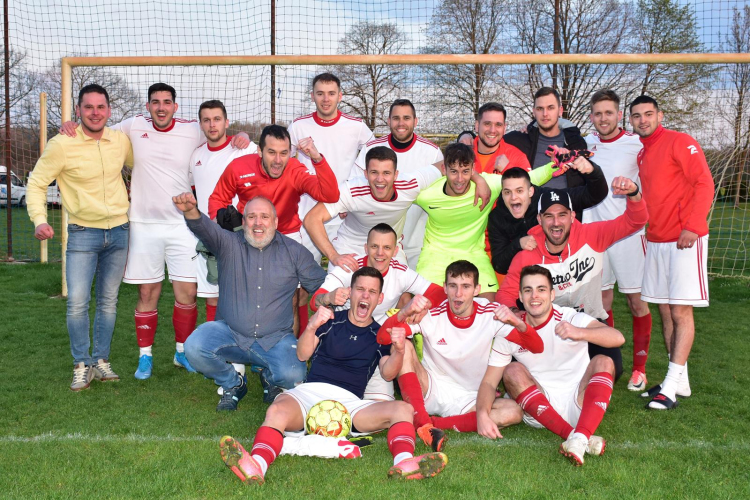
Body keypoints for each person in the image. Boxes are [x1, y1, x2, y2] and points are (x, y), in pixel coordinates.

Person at [59, 83, 252, 380]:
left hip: (184, 225)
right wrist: (72, 126)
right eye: (155, 102)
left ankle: (181, 352)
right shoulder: (133, 126)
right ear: (148, 106)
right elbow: (97, 126)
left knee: (187, 293)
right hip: (143, 225)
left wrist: (241, 136)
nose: (161, 107)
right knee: (148, 291)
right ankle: (145, 357)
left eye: (166, 102)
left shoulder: (192, 129)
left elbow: (219, 134)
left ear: (176, 106)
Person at [218, 267, 448, 484]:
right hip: (309, 395)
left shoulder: (380, 334)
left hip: (351, 406)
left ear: (380, 297)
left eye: (372, 291)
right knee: (276, 410)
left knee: (403, 409)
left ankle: (404, 464)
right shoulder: (329, 321)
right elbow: (302, 354)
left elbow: (388, 374)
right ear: (351, 292)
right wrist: (310, 326)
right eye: (360, 289)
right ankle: (257, 465)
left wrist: (398, 350)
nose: (365, 295)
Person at [173, 194, 327, 410]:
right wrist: (190, 211)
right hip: (231, 333)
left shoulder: (295, 252)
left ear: (275, 222)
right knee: (194, 346)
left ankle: (271, 377)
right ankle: (233, 383)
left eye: (264, 217)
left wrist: (329, 297)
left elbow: (320, 286)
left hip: (276, 338)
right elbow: (204, 229)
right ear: (243, 222)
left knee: (294, 375)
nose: (258, 223)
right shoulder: (228, 243)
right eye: (252, 217)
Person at [27, 84, 133, 391]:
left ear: (109, 110)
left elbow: (148, 160)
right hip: (83, 233)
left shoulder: (120, 141)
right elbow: (35, 184)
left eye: (101, 107)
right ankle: (81, 364)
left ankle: (101, 361)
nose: (95, 113)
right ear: (78, 110)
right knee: (76, 302)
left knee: (109, 302)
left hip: (119, 231)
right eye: (89, 107)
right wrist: (39, 220)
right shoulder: (62, 143)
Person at [376, 260, 544, 451]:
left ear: (477, 289)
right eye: (453, 286)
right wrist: (405, 311)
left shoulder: (489, 315)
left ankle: (432, 423)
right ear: (445, 288)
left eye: (465, 287)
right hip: (430, 388)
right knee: (402, 346)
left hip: (470, 397)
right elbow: (383, 338)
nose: (458, 294)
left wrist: (517, 322)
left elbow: (536, 346)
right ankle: (423, 424)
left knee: (513, 412)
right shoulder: (431, 315)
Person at [496, 183, 649, 381]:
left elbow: (636, 221)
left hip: (589, 322)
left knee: (612, 368)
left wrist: (635, 193)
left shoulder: (592, 235)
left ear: (572, 216)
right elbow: (505, 293)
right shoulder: (527, 254)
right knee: (516, 370)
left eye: (562, 215)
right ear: (539, 219)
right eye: (549, 216)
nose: (556, 222)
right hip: (547, 326)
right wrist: (516, 313)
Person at [477, 265, 624, 466]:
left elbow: (617, 338)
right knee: (512, 371)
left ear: (552, 294)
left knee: (604, 361)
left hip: (579, 402)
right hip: (538, 409)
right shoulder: (510, 331)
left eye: (541, 289)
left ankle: (578, 436)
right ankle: (578, 436)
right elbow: (489, 382)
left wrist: (581, 332)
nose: (534, 296)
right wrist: (482, 416)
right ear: (520, 296)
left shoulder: (569, 317)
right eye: (528, 290)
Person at [208, 124, 339, 336]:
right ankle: (241, 353)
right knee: (245, 297)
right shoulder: (239, 166)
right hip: (250, 235)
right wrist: (219, 225)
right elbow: (217, 198)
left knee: (292, 300)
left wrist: (317, 158)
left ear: (291, 153)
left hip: (287, 236)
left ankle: (290, 351)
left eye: (284, 153)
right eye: (271, 152)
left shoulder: (296, 170)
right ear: (260, 151)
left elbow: (330, 194)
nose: (278, 160)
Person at [629, 95, 714, 410]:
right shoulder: (642, 153)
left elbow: (705, 183)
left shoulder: (681, 142)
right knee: (664, 311)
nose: (643, 120)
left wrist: (692, 225)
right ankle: (679, 383)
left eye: (648, 114)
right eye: (637, 116)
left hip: (684, 239)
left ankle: (670, 386)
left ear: (659, 115)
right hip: (657, 240)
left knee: (681, 312)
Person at [310, 223, 447, 401]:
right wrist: (329, 297)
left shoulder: (401, 272)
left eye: (387, 247)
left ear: (395, 250)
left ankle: (417, 403)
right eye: (374, 246)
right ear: (366, 248)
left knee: (382, 404)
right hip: (340, 344)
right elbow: (315, 301)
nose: (380, 253)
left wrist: (425, 305)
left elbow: (438, 292)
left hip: (376, 345)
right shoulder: (350, 268)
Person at [303, 146, 490, 273]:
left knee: (403, 297)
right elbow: (312, 219)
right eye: (374, 173)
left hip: (390, 248)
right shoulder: (351, 190)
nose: (380, 179)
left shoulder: (409, 184)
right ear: (365, 174)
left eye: (386, 173)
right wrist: (334, 256)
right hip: (350, 246)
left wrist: (478, 179)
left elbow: (446, 166)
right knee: (339, 299)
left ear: (396, 175)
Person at [287, 72, 374, 333]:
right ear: (312, 95)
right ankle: (298, 343)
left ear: (341, 96)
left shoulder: (356, 126)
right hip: (306, 216)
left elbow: (375, 155)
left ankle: (340, 342)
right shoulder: (298, 127)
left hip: (345, 215)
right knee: (296, 287)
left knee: (348, 281)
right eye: (320, 93)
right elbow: (282, 161)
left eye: (331, 93)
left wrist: (353, 195)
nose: (326, 99)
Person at [415, 144, 554, 300]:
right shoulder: (426, 195)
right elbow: (397, 192)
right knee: (420, 303)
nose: (460, 179)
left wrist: (557, 164)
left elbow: (531, 178)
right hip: (435, 254)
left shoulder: (489, 185)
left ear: (473, 169)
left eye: (466, 172)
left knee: (492, 306)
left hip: (474, 254)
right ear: (444, 169)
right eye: (453, 171)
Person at [582, 90, 652, 392]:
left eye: (608, 113)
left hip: (628, 234)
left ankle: (640, 369)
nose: (603, 118)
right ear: (591, 116)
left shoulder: (636, 145)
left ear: (619, 115)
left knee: (637, 301)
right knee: (601, 301)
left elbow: (651, 181)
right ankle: (609, 361)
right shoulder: (586, 144)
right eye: (598, 113)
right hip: (595, 235)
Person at [351, 99, 444, 268]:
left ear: (415, 121)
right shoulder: (370, 149)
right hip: (375, 241)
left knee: (410, 290)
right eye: (396, 118)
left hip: (416, 239)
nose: (401, 123)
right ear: (388, 121)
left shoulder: (432, 152)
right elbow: (355, 186)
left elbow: (441, 191)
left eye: (406, 118)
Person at [190, 99, 258, 323]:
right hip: (209, 236)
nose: (212, 125)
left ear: (226, 122)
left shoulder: (244, 148)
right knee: (213, 297)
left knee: (245, 296)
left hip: (241, 235)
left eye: (217, 119)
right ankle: (215, 350)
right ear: (200, 124)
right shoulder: (196, 156)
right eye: (207, 120)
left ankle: (240, 350)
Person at [487, 156, 608, 276]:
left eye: (519, 191)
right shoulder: (497, 217)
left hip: (566, 266)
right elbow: (499, 265)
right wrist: (518, 244)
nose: (513, 197)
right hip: (528, 275)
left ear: (530, 191)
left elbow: (594, 195)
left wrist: (593, 172)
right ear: (502, 193)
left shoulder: (548, 198)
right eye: (507, 192)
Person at [504, 87, 588, 190]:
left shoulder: (576, 143)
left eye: (550, 108)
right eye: (540, 109)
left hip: (567, 205)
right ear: (534, 112)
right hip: (532, 205)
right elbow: (488, 141)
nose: (545, 114)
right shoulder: (518, 140)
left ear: (560, 110)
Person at [472, 102, 530, 174]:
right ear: (477, 126)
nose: (492, 130)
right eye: (487, 124)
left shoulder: (517, 157)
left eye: (498, 125)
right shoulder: (461, 155)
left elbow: (528, 184)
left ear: (504, 128)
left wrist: (507, 169)